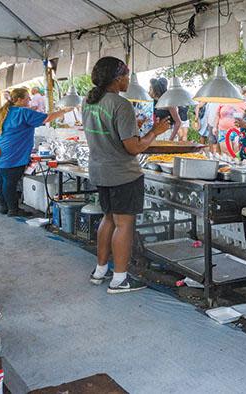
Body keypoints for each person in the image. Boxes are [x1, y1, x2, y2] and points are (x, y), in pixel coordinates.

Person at [83, 57, 170, 293]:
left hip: (100, 170)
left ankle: (100, 270)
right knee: (124, 224)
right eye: (126, 76)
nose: (128, 80)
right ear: (117, 78)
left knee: (108, 218)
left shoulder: (90, 102)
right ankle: (119, 279)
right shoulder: (121, 105)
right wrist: (155, 131)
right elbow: (133, 147)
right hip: (122, 173)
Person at [0, 88, 69, 216]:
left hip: (0, 153)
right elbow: (47, 118)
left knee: (1, 180)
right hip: (13, 155)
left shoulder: (5, 112)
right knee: (10, 182)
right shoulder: (23, 112)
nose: (30, 99)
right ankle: (13, 210)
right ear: (19, 100)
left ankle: (4, 207)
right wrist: (64, 111)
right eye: (27, 97)